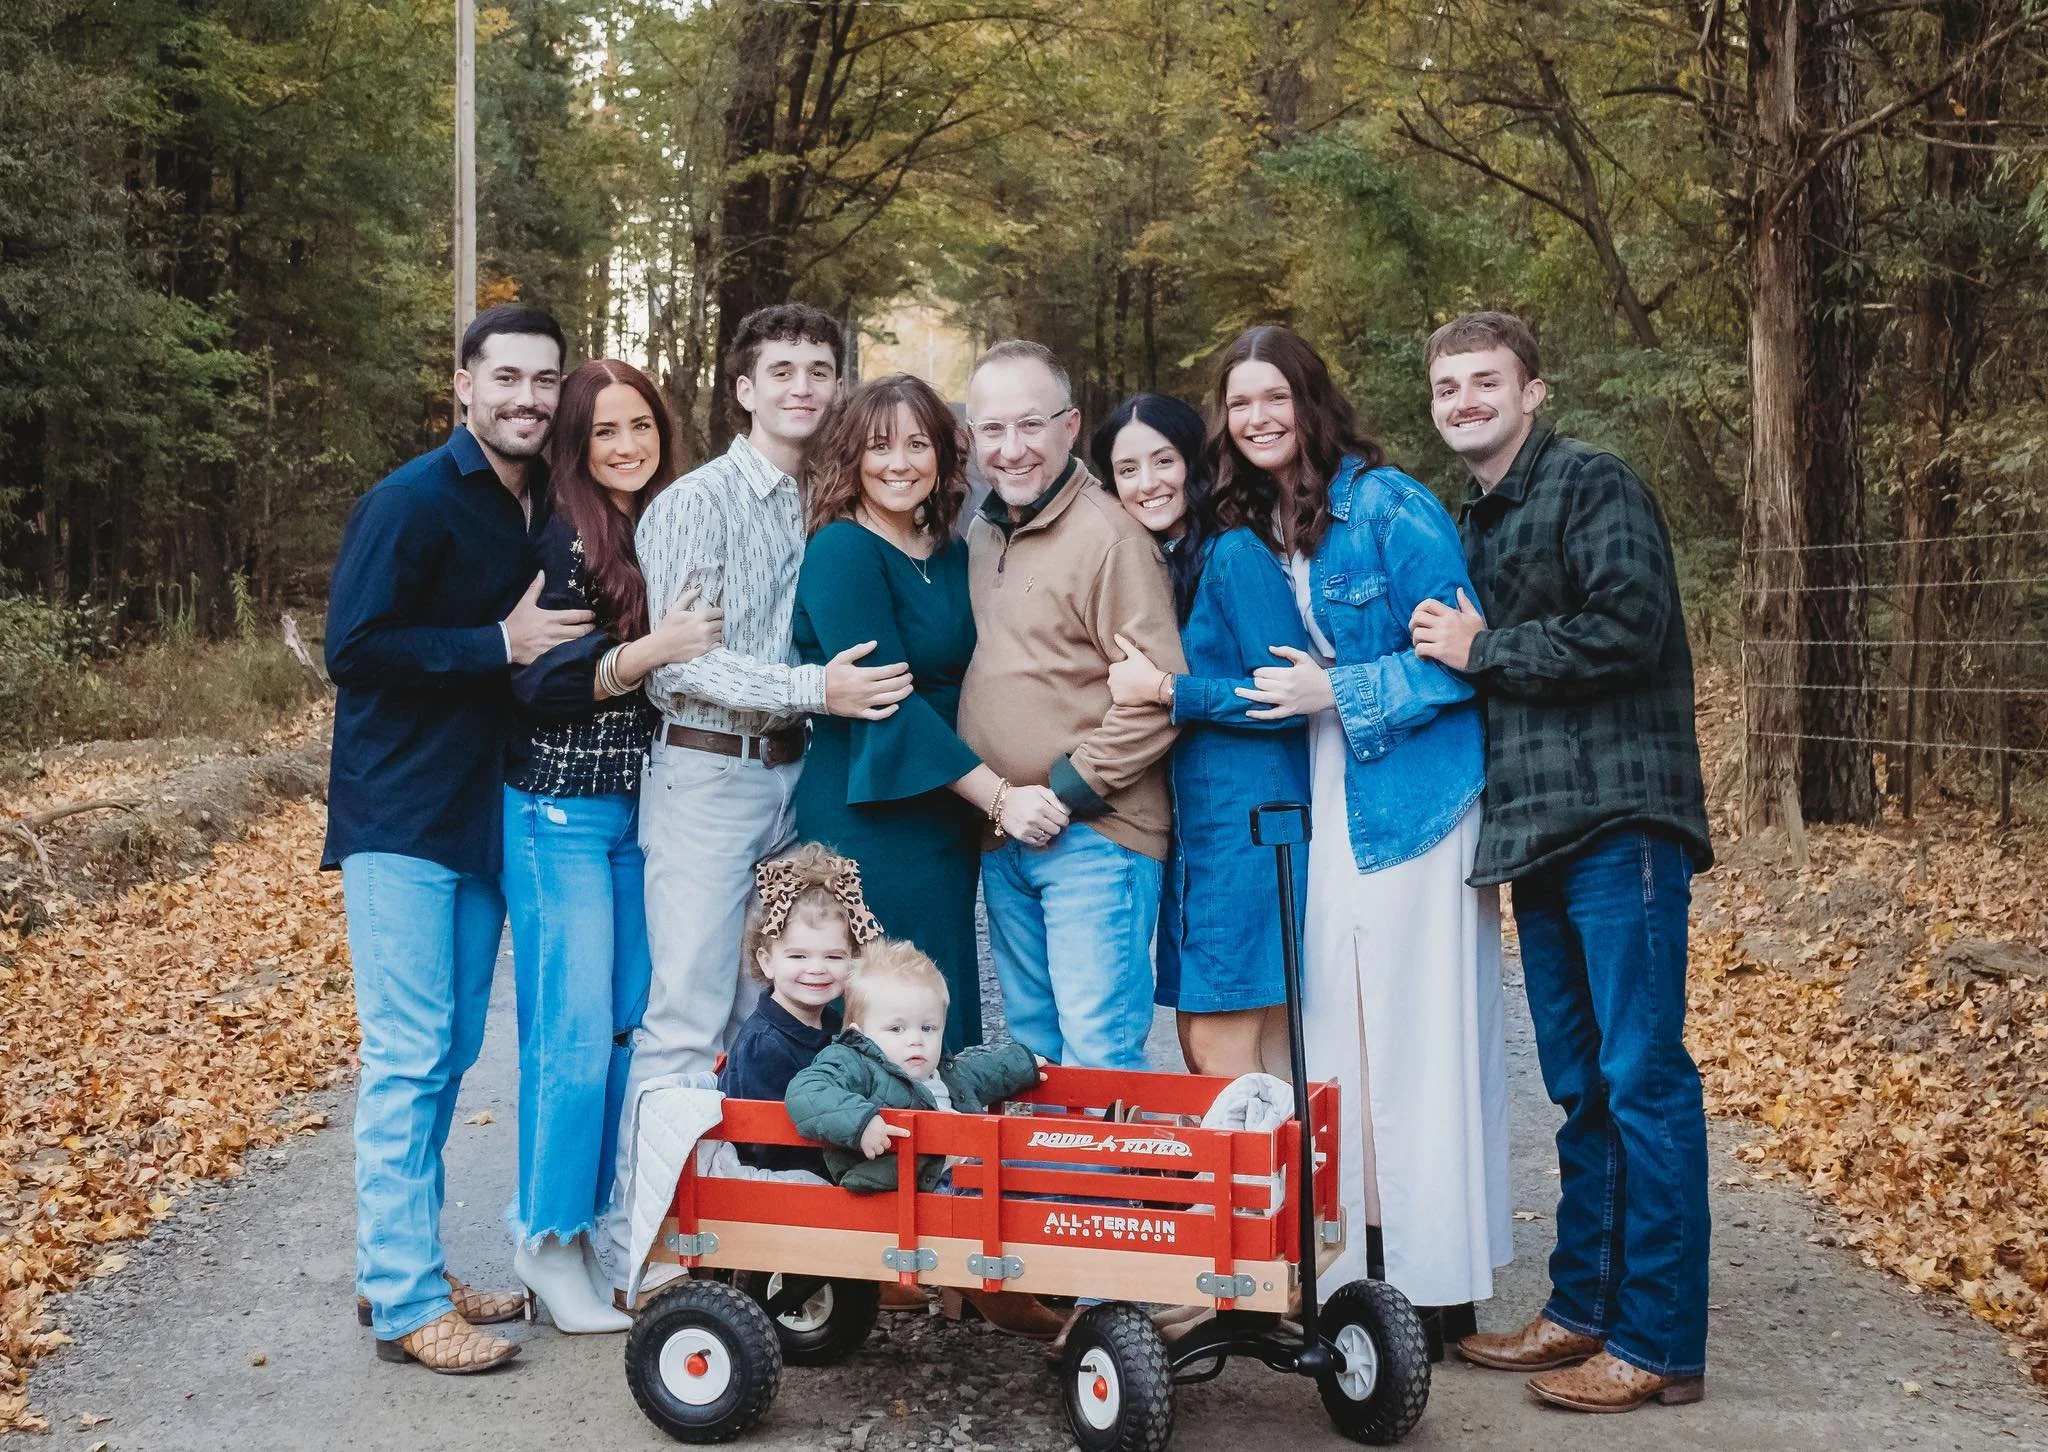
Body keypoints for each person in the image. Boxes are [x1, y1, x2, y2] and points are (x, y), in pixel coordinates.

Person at [1411, 311, 1712, 1413]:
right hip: (1531, 836)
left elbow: (1628, 625)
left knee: (1641, 1079)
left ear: (1532, 391)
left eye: (1483, 382)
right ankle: (1580, 1308)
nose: (1464, 401)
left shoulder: (1593, 484)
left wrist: (1482, 649)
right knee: (1579, 1086)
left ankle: (1658, 1342)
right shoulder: (1471, 521)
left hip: (1618, 822)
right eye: (1446, 388)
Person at [609, 303, 911, 1304]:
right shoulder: (695, 504)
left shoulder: (825, 502)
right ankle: (645, 1249)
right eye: (780, 369)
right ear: (742, 388)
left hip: (794, 774)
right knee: (686, 1014)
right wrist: (815, 688)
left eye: (819, 369)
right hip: (706, 772)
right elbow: (681, 673)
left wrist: (816, 703)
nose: (801, 387)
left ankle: (743, 1237)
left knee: (769, 1013)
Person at [1220, 324, 1512, 1345]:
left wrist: (1332, 688)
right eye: (1239, 402)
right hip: (1333, 792)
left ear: (1310, 402)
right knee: (1339, 1032)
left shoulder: (1387, 505)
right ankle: (1357, 1271)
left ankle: (1437, 1286)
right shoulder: (1264, 521)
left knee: (1417, 1036)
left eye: (1273, 398)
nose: (1256, 418)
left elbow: (1457, 657)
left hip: (1416, 799)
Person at [325, 304, 591, 1373]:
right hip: (401, 816)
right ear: (463, 387)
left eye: (545, 381)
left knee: (445, 1058)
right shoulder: (412, 500)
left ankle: (403, 1267)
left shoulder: (543, 511)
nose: (528, 398)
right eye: (508, 378)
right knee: (406, 1057)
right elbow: (356, 646)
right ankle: (401, 1304)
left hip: (489, 814)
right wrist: (498, 641)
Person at [500, 359, 722, 1334]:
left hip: (639, 810)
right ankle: (543, 1243)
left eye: (641, 426)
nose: (628, 445)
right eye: (604, 432)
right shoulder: (561, 538)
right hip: (557, 814)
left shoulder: (655, 522)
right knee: (574, 1038)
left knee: (631, 1028)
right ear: (574, 447)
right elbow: (535, 686)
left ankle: (587, 1225)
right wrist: (648, 653)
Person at [793, 375, 1071, 1053]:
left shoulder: (951, 552)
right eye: (879, 446)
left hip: (943, 816)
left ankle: (948, 1155)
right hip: (868, 816)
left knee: (940, 1002)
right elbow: (887, 703)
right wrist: (1000, 798)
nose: (899, 463)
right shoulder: (841, 552)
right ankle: (877, 1155)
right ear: (851, 457)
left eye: (918, 444)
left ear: (945, 457)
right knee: (882, 1004)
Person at [955, 342, 1187, 1072]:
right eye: (992, 430)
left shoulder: (1112, 537)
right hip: (1004, 835)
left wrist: (1064, 792)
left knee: (1099, 1050)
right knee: (1032, 1053)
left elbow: (1158, 697)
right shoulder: (983, 530)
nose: (1012, 449)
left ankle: (1114, 1191)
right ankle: (1055, 1191)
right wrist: (1005, 807)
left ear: (1070, 425)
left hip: (1095, 837)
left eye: (1031, 425)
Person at [1091, 394, 1312, 1078]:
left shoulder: (1234, 554)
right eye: (1127, 469)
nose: (1148, 482)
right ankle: (1283, 1187)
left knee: (1219, 1052)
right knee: (1254, 1062)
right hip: (1202, 837)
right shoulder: (1162, 566)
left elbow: (1287, 696)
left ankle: (1245, 1189)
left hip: (1246, 836)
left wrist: (1165, 691)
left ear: (1195, 466)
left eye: (1163, 460)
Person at [785, 939, 1043, 1194]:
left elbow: (981, 1073)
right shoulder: (853, 1062)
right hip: (921, 1188)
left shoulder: (941, 1074)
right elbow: (806, 1091)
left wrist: (1023, 1062)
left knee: (1056, 1171)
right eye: (896, 1028)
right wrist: (861, 1123)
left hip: (972, 1171)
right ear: (860, 1033)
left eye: (928, 1028)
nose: (916, 1040)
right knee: (1026, 1185)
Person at [718, 844, 882, 1177]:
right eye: (798, 957)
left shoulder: (836, 1025)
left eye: (834, 957)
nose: (817, 969)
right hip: (783, 1182)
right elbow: (772, 1144)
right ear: (767, 962)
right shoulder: (764, 1046)